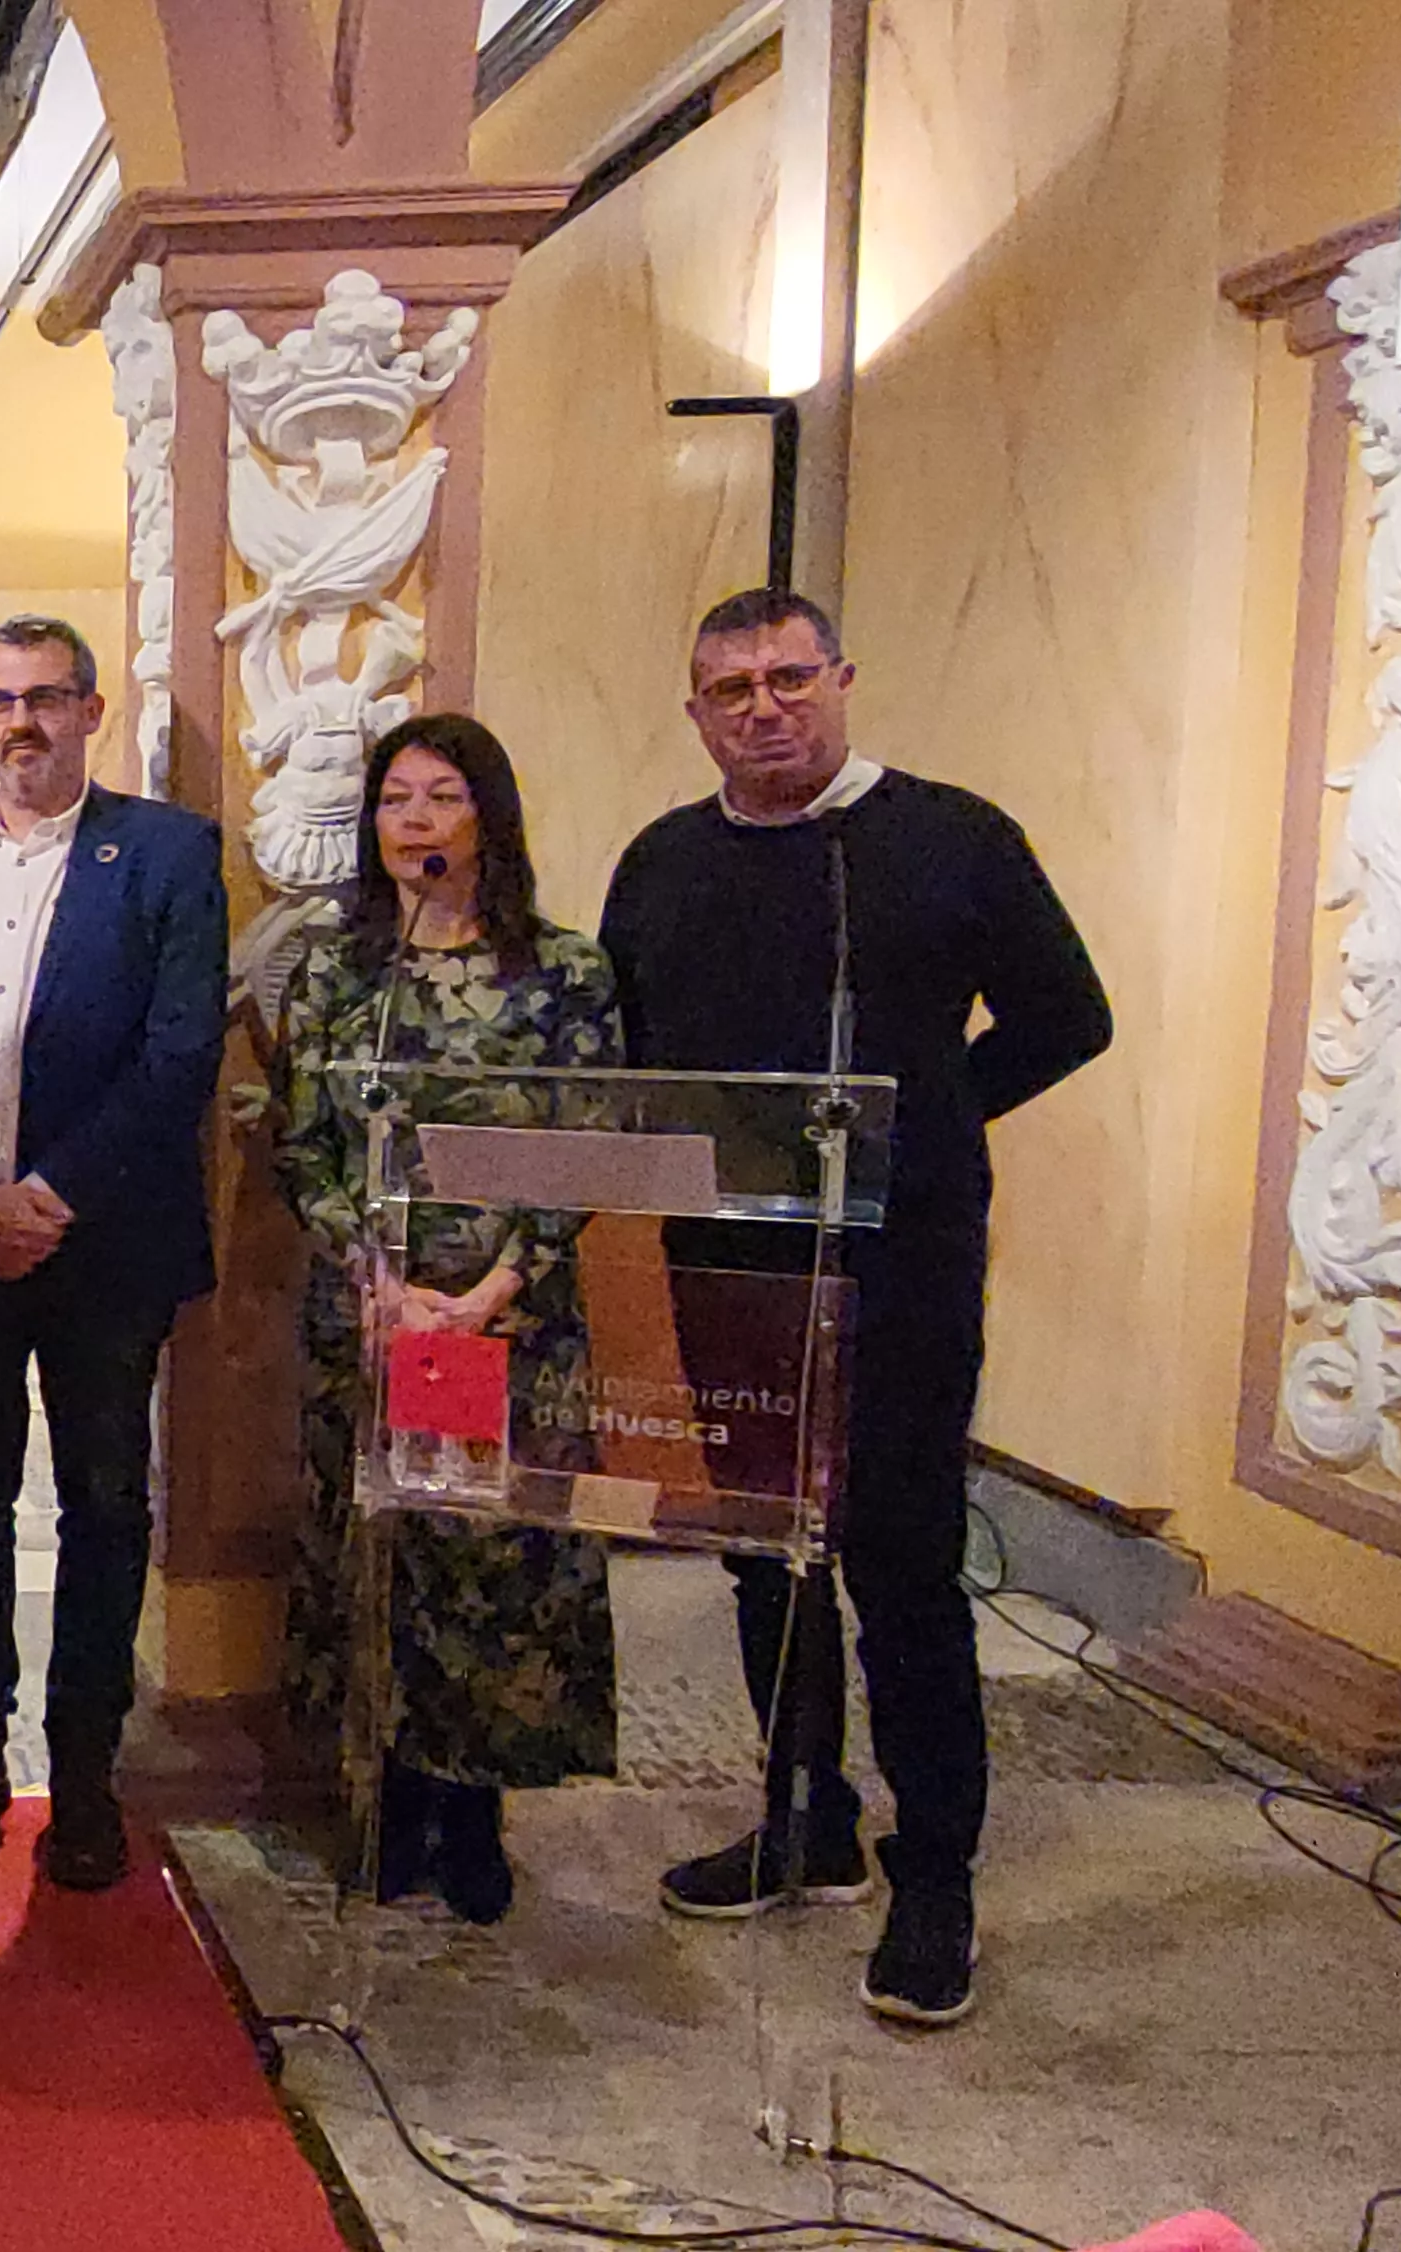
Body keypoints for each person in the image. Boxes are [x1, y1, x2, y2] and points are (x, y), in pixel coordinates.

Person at [600, 587, 1110, 2026]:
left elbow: (1070, 1019)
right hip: (732, 1261)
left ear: (840, 679)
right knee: (765, 1557)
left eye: (788, 677)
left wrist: (920, 1129)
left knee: (901, 1562)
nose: (764, 708)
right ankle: (801, 1813)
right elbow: (636, 1053)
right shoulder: (662, 863)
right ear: (694, 713)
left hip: (904, 1261)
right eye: (730, 689)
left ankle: (933, 1870)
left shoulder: (954, 839)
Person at [0, 616, 227, 1895]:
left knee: (105, 1506)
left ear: (91, 711)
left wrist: (48, 1195)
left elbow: (179, 1052)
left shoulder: (167, 853)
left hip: (104, 1244)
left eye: (48, 699)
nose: (22, 722)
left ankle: (83, 1771)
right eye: (0, 701)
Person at [268, 712, 622, 1926]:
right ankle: (388, 1799)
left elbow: (589, 1144)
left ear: (488, 818)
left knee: (491, 1558)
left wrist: (488, 1295)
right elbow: (300, 1141)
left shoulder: (564, 969)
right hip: (374, 1313)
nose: (414, 821)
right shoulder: (335, 971)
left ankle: (479, 1816)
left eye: (441, 798)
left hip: (503, 1324)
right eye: (393, 801)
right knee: (383, 1552)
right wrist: (376, 1277)